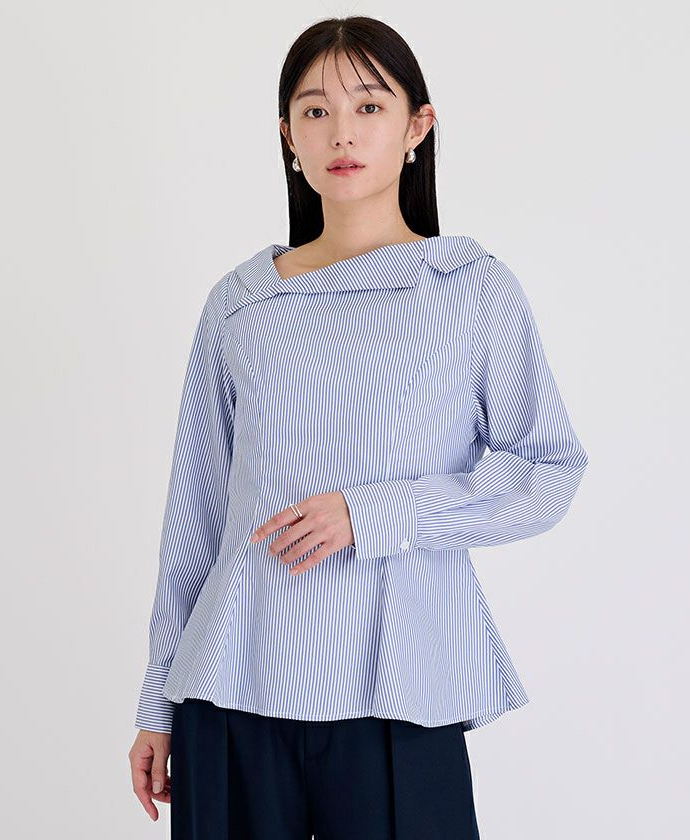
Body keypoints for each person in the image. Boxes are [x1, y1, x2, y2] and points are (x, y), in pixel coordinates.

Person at [128, 15, 588, 839]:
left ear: (418, 126)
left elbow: (548, 472)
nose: (341, 132)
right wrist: (157, 701)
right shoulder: (240, 303)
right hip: (231, 696)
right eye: (315, 111)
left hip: (403, 696)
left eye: (369, 106)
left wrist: (374, 513)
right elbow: (195, 521)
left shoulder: (471, 289)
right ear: (288, 137)